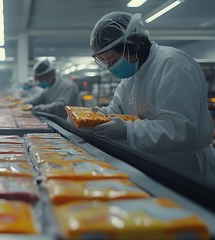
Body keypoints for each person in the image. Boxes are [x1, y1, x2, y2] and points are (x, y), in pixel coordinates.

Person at [88, 11, 215, 179]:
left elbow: (178, 130)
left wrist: (127, 130)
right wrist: (98, 116)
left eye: (111, 60)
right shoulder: (132, 74)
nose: (110, 67)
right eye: (106, 62)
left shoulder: (173, 64)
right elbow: (116, 111)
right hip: (154, 165)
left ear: (132, 45)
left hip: (187, 170)